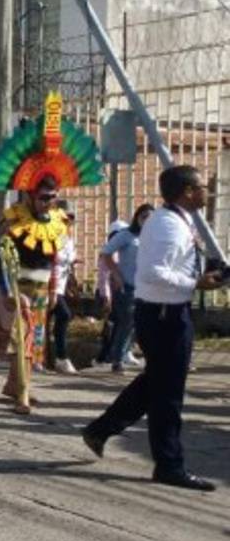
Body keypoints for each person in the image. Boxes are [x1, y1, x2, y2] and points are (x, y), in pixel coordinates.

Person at [0, 91, 104, 414]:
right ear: (29, 194)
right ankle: (23, 392)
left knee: (33, 341)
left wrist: (54, 288)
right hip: (14, 289)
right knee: (20, 338)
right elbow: (0, 258)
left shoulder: (57, 220)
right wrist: (11, 292)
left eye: (53, 196)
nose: (49, 201)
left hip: (41, 288)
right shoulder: (12, 221)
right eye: (43, 197)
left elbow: (55, 256)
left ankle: (15, 385)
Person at [82, 165, 221, 491]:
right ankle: (169, 465)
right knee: (168, 395)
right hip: (164, 315)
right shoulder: (168, 225)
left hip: (167, 312)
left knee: (155, 384)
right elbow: (154, 272)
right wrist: (195, 282)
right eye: (202, 186)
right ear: (187, 191)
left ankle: (100, 430)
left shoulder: (175, 221)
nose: (207, 191)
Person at [96, 210, 150, 371]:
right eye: (144, 217)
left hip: (147, 287)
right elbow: (106, 253)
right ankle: (117, 359)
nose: (147, 222)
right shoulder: (126, 235)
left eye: (150, 218)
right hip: (128, 286)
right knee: (126, 323)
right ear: (137, 218)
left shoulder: (152, 236)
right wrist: (116, 274)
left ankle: (141, 356)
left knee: (143, 324)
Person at [50, 201, 79, 375]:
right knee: (63, 314)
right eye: (64, 217)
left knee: (55, 318)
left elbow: (68, 257)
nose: (68, 221)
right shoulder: (51, 234)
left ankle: (54, 357)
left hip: (62, 283)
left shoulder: (68, 236)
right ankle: (61, 356)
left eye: (71, 217)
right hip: (48, 283)